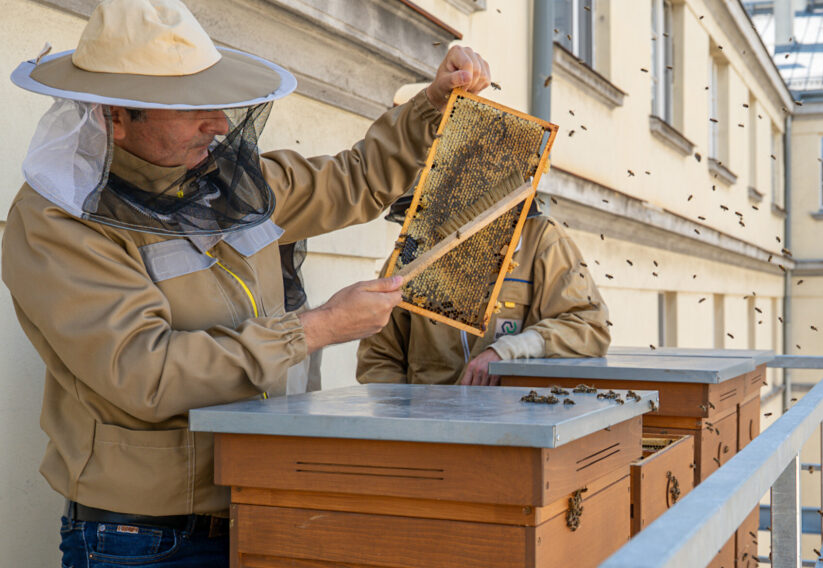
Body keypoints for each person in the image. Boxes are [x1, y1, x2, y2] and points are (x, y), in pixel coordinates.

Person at [2, 0, 491, 565]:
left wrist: (430, 105)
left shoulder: (231, 180)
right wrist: (316, 329)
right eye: (192, 108)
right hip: (145, 537)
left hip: (267, 497)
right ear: (116, 116)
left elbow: (357, 179)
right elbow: (144, 372)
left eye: (216, 103)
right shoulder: (56, 222)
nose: (218, 124)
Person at [356, 193, 611, 386]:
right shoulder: (410, 255)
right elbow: (378, 357)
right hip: (431, 425)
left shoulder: (543, 239)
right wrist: (404, 420)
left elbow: (589, 327)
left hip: (517, 422)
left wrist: (509, 350)